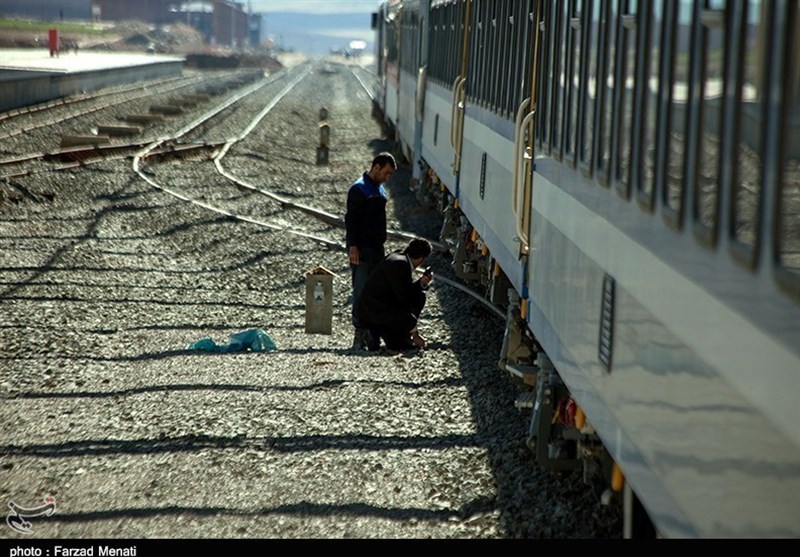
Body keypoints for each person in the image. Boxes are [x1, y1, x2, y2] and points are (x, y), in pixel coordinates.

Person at [345, 152, 396, 349]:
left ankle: (371, 334)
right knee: (360, 291)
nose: (387, 177)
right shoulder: (359, 189)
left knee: (374, 292)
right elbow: (351, 221)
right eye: (386, 172)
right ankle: (359, 334)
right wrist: (353, 246)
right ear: (376, 166)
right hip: (362, 250)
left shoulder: (379, 189)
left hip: (376, 249)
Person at [355, 238, 433, 352]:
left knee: (417, 295)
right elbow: (404, 299)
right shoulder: (400, 264)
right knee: (419, 298)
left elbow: (404, 290)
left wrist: (422, 283)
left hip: (373, 308)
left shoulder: (398, 257)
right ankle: (377, 332)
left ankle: (391, 339)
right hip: (375, 312)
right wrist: (414, 333)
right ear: (421, 258)